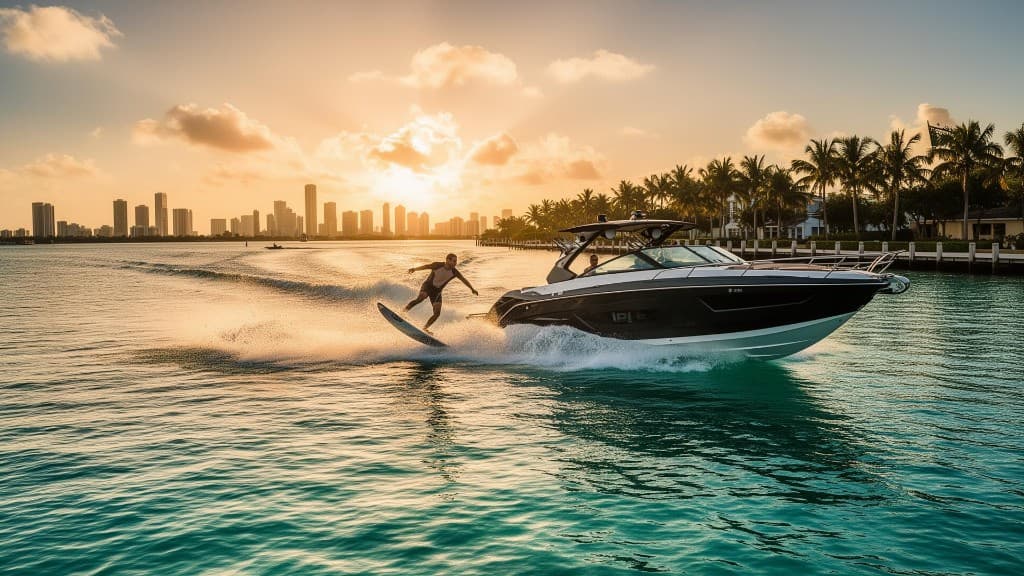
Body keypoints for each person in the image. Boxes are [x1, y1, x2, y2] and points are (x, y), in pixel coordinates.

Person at [404, 253, 478, 332]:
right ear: (447, 260)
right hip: (428, 286)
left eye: (456, 261)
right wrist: (414, 269)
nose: (455, 263)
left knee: (437, 313)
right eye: (454, 261)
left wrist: (472, 289)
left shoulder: (454, 272)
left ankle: (425, 328)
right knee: (421, 298)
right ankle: (403, 312)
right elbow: (426, 266)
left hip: (437, 292)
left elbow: (463, 280)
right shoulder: (437, 265)